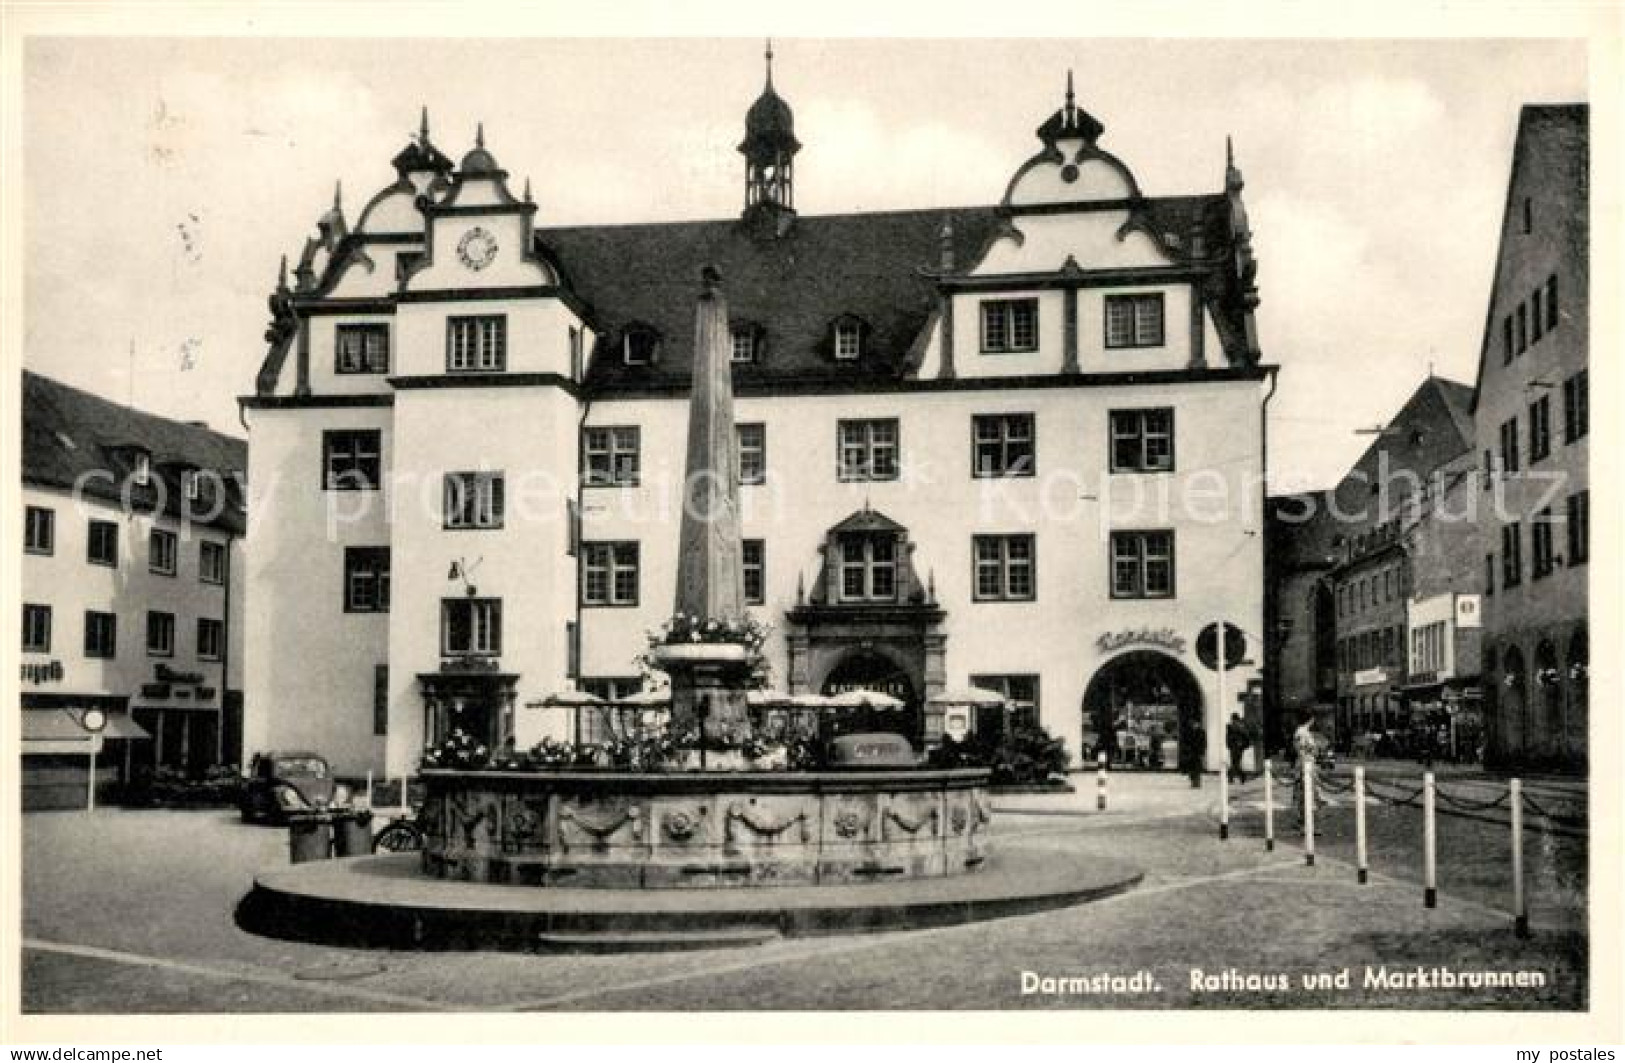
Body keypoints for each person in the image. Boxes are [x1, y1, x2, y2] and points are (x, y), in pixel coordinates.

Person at [1225, 712, 1252, 784]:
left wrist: (1243, 745)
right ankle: (1234, 777)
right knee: (1234, 763)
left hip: (1238, 748)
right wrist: (1229, 745)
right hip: (1233, 747)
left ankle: (1239, 776)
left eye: (1234, 719)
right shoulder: (1230, 727)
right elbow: (1228, 738)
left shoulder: (1240, 727)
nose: (1233, 721)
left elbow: (1246, 738)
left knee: (1235, 763)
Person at [1181, 719, 1207, 788]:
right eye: (1193, 724)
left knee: (1197, 768)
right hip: (1191, 752)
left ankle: (1197, 782)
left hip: (1198, 752)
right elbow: (1186, 742)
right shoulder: (1189, 732)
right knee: (1191, 768)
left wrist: (1202, 752)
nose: (1194, 725)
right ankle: (1193, 781)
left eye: (1195, 724)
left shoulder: (1201, 732)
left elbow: (1204, 743)